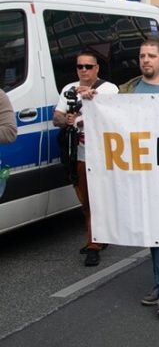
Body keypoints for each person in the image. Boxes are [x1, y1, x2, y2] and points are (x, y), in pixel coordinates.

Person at [82, 37, 159, 316]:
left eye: (151, 56)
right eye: (142, 56)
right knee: (152, 231)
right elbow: (109, 120)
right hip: (140, 175)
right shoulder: (126, 91)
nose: (145, 60)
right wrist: (94, 101)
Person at [53, 51, 118, 267]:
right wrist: (66, 118)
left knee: (96, 200)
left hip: (102, 155)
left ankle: (93, 245)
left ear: (97, 68)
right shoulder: (69, 89)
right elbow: (56, 117)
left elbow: (114, 115)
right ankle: (97, 236)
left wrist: (92, 97)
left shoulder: (108, 89)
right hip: (79, 153)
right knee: (86, 200)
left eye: (88, 66)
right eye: (80, 66)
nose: (83, 70)